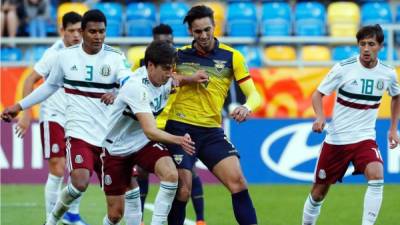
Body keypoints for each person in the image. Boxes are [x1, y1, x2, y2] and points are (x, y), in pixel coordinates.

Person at [1, 9, 134, 225]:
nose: (98, 36)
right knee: (78, 180)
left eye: (102, 32)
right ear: (83, 32)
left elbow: (130, 83)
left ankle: (72, 216)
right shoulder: (63, 56)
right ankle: (52, 219)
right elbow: (49, 86)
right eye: (92, 31)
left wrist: (118, 93)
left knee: (116, 212)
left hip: (109, 137)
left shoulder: (116, 57)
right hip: (77, 130)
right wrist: (19, 106)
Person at [165, 5, 261, 225]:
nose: (204, 35)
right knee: (183, 189)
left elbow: (254, 94)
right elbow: (163, 82)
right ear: (191, 32)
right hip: (180, 128)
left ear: (215, 26)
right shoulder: (178, 55)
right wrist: (187, 79)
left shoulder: (232, 56)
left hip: (210, 131)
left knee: (238, 182)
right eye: (198, 31)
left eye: (207, 29)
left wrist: (247, 107)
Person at [301, 24, 400, 225]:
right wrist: (320, 117)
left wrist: (392, 128)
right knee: (318, 193)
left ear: (380, 46)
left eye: (371, 44)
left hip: (364, 139)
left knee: (377, 176)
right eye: (362, 44)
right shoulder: (343, 68)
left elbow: (396, 96)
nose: (365, 48)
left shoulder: (388, 73)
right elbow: (317, 94)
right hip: (337, 141)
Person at [101, 40, 195, 225]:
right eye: (166, 69)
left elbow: (178, 79)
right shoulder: (137, 87)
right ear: (150, 65)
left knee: (171, 175)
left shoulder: (165, 79)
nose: (170, 74)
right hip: (115, 149)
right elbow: (151, 131)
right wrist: (179, 140)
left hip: (142, 143)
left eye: (172, 69)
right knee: (115, 215)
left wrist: (192, 78)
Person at [14, 11, 88, 225]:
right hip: (53, 115)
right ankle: (51, 219)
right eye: (71, 30)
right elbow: (29, 81)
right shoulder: (53, 54)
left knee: (80, 169)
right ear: (61, 30)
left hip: (78, 117)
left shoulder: (87, 53)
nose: (76, 35)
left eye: (78, 31)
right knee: (57, 167)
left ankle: (73, 214)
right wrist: (26, 116)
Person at [132, 23, 208, 225]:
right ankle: (139, 218)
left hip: (174, 122)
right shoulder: (143, 65)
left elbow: (182, 78)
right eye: (160, 40)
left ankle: (200, 219)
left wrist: (188, 78)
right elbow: (130, 84)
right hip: (150, 123)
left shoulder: (180, 61)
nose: (165, 43)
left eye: (168, 40)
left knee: (188, 171)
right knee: (142, 170)